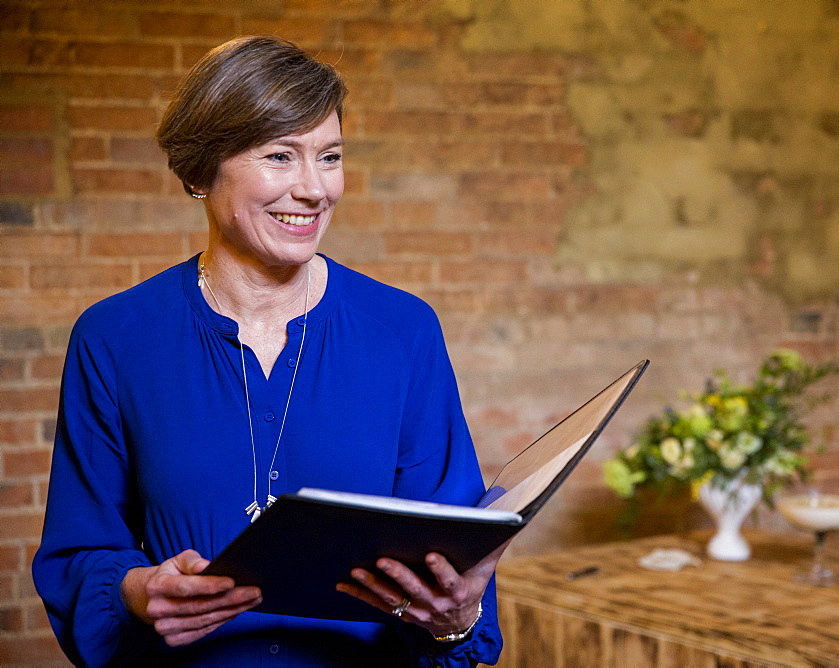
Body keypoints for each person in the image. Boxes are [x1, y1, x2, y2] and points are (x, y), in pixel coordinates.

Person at [32, 35, 504, 667]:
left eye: (329, 156)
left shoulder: (404, 330)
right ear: (202, 171)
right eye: (280, 156)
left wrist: (458, 620)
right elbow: (81, 549)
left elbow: (454, 549)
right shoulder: (114, 338)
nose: (314, 189)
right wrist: (136, 591)